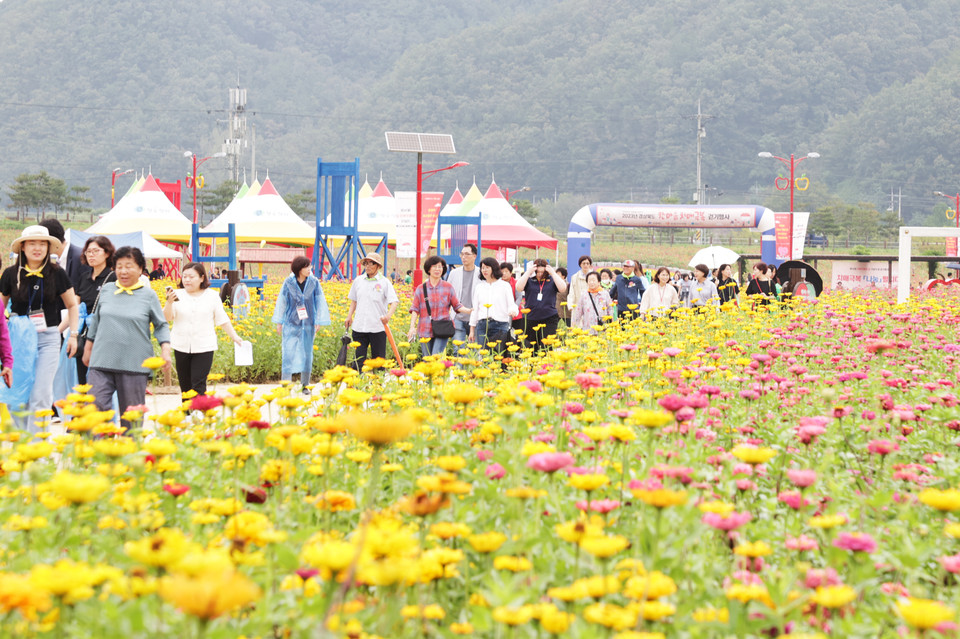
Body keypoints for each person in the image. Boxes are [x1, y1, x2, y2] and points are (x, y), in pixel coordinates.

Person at [0, 226, 79, 430]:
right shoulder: (10, 274)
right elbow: (1, 309)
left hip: (48, 338)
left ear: (48, 247)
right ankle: (23, 442)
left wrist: (73, 335)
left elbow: (72, 305)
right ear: (23, 247)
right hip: (18, 339)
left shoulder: (57, 273)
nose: (37, 248)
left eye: (42, 244)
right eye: (32, 243)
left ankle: (37, 449)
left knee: (40, 394)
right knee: (18, 394)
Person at [82, 246, 170, 430]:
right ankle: (100, 452)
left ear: (140, 269)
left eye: (129, 266)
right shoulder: (107, 290)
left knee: (132, 416)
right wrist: (88, 347)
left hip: (134, 363)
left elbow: (161, 325)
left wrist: (165, 350)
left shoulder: (148, 295)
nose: (123, 271)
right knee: (95, 409)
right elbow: (97, 319)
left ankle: (130, 455)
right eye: (119, 266)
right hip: (102, 360)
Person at [164, 262, 242, 396]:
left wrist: (234, 336)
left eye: (191, 277)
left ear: (201, 278)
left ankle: (199, 414)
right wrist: (169, 303)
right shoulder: (176, 295)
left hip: (204, 347)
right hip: (181, 345)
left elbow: (222, 319)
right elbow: (168, 318)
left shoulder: (211, 296)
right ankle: (187, 414)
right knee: (185, 385)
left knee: (198, 383)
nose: (187, 280)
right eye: (184, 276)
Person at [272, 256, 331, 388]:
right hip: (291, 324)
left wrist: (319, 321)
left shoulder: (314, 283)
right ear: (299, 269)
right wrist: (279, 322)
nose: (310, 269)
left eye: (310, 266)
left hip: (309, 324)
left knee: (307, 355)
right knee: (288, 354)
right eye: (307, 267)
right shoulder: (288, 283)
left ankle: (305, 385)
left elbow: (320, 302)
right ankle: (286, 385)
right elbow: (282, 302)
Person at [72, 236, 116, 385]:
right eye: (88, 252)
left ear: (107, 253)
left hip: (103, 336)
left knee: (101, 380)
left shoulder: (113, 277)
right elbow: (75, 307)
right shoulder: (83, 277)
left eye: (96, 251)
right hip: (83, 335)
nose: (91, 255)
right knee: (82, 379)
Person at [345, 252, 399, 371]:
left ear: (378, 266)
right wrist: (349, 316)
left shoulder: (385, 282)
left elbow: (394, 302)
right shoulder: (358, 281)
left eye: (371, 263)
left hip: (377, 328)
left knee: (378, 362)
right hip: (359, 327)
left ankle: (377, 387)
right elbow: (354, 301)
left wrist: (388, 316)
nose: (368, 266)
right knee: (358, 361)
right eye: (366, 263)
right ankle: (357, 387)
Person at [408, 256, 470, 357]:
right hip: (425, 329)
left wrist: (469, 310)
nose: (438, 269)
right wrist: (412, 327)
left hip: (443, 328)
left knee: (435, 357)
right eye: (435, 267)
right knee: (427, 359)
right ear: (429, 269)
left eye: (440, 267)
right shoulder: (421, 288)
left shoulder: (448, 287)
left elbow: (457, 305)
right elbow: (415, 309)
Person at [515, 258, 567, 353]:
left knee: (547, 347)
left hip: (549, 317)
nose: (540, 274)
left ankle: (546, 366)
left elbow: (563, 288)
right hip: (531, 318)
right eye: (537, 272)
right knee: (531, 348)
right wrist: (528, 272)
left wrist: (553, 273)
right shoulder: (529, 280)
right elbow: (518, 287)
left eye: (542, 272)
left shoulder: (551, 280)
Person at [469, 258, 518, 348]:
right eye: (482, 268)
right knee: (483, 355)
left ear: (494, 268)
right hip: (482, 325)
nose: (484, 270)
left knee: (498, 355)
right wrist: (472, 330)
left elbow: (511, 304)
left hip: (500, 324)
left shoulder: (505, 286)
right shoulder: (479, 287)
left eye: (487, 267)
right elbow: (475, 309)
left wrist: (513, 311)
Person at [444, 243, 478, 353]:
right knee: (458, 351)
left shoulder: (480, 274)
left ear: (474, 256)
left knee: (475, 351)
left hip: (475, 319)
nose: (464, 257)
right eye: (462, 254)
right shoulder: (454, 273)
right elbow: (447, 294)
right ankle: (459, 370)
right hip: (457, 317)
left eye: (467, 254)